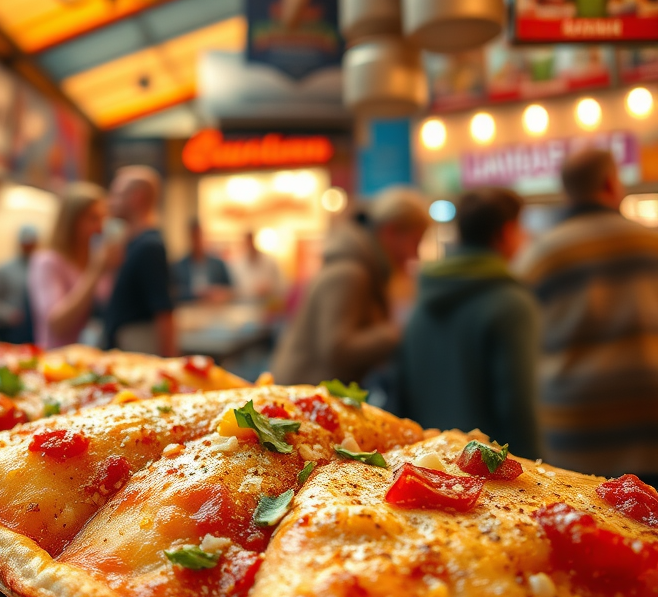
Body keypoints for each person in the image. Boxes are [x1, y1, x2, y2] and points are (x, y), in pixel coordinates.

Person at [515, 149, 658, 483]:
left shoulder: (537, 256)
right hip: (649, 414)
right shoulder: (651, 243)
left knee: (588, 511)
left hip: (574, 424)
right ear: (610, 182)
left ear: (566, 191)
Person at [396, 188, 539, 459]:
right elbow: (517, 405)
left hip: (427, 461)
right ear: (507, 232)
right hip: (489, 474)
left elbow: (404, 387)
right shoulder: (511, 302)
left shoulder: (424, 297)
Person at [271, 187, 429, 385]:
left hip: (311, 392)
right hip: (304, 396)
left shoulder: (360, 266)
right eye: (415, 241)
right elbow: (336, 350)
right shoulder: (350, 272)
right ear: (390, 231)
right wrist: (400, 332)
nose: (416, 254)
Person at [28, 183, 118, 349]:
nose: (100, 227)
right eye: (93, 218)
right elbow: (57, 324)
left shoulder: (97, 258)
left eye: (104, 218)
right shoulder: (47, 261)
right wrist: (95, 272)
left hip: (93, 358)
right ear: (71, 221)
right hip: (57, 361)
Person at [104, 166, 177, 356]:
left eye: (117, 194)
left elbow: (163, 311)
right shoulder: (130, 244)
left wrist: (168, 363)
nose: (110, 202)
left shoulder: (149, 246)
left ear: (136, 197)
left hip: (138, 350)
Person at [0, 225, 38, 344]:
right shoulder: (4, 270)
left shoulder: (42, 269)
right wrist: (8, 314)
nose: (28, 247)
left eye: (32, 243)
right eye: (25, 243)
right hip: (9, 331)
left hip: (36, 331)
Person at [170, 219, 232, 303]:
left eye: (199, 236)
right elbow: (174, 293)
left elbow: (230, 290)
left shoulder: (218, 264)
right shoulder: (179, 267)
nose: (197, 241)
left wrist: (218, 292)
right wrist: (197, 294)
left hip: (215, 310)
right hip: (189, 310)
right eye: (194, 237)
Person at [227, 230, 282, 303]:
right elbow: (234, 289)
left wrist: (269, 288)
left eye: (251, 242)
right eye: (247, 243)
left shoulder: (270, 261)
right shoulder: (236, 263)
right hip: (244, 304)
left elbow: (281, 284)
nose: (250, 245)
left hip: (267, 303)